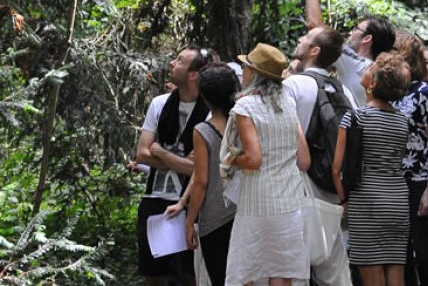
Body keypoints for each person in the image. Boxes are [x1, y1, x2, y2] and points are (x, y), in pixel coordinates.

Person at [223, 43, 311, 286]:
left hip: (258, 201)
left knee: (247, 269)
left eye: (246, 67)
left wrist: (232, 159)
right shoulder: (288, 104)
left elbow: (253, 160)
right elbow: (304, 160)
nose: (243, 72)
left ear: (254, 74)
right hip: (290, 202)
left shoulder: (245, 107)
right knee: (281, 271)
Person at [129, 45, 212, 286]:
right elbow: (142, 154)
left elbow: (198, 170)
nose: (172, 64)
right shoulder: (159, 104)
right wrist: (180, 161)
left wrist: (160, 151)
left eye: (179, 61)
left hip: (191, 199)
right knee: (152, 270)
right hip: (154, 197)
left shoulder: (208, 111)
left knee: (190, 271)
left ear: (193, 74)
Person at [283, 26, 355, 286]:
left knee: (296, 262)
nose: (299, 38)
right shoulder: (345, 91)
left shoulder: (293, 85)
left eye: (305, 37)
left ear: (314, 51)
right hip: (333, 187)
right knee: (333, 267)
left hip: (298, 184)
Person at [332, 52, 411, 286]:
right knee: (396, 272)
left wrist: (344, 201)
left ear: (373, 84)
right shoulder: (402, 121)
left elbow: (337, 169)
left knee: (372, 274)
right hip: (397, 199)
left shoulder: (355, 118)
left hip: (366, 201)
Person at [164, 63, 240, 286]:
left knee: (219, 278)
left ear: (205, 96)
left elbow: (201, 180)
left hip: (215, 218)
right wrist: (182, 202)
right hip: (242, 211)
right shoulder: (243, 124)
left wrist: (189, 222)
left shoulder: (203, 131)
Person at [303, 0, 396, 106]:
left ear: (367, 39)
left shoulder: (357, 64)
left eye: (356, 29)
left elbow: (315, 27)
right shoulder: (381, 70)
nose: (350, 33)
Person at [393, 32, 428, 286]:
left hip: (418, 179)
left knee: (423, 252)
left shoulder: (422, 92)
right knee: (400, 256)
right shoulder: (387, 87)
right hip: (392, 180)